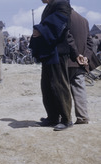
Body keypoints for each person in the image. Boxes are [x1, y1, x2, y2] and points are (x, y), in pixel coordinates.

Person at [29, 0, 72, 131]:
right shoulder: (49, 6)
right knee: (47, 86)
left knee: (59, 85)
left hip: (57, 51)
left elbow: (60, 22)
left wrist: (41, 30)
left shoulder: (62, 3)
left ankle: (66, 119)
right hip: (48, 52)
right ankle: (53, 117)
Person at [68, 8, 94, 125]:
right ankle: (83, 117)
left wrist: (76, 54)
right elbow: (90, 42)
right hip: (81, 61)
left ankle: (64, 118)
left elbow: (67, 38)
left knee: (63, 89)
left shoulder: (63, 17)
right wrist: (86, 57)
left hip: (68, 60)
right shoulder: (84, 20)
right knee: (79, 88)